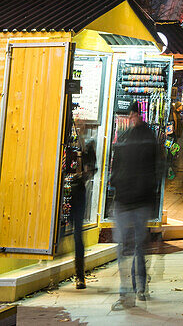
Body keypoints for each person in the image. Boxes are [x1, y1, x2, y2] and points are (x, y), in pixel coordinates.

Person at [109, 102, 162, 309]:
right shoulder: (148, 139)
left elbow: (117, 168)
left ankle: (131, 291)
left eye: (134, 114)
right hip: (136, 200)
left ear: (138, 115)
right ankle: (137, 288)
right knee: (135, 246)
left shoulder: (127, 139)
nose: (132, 117)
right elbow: (157, 168)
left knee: (128, 247)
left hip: (130, 200)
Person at [67, 119, 97, 290]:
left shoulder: (87, 147)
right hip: (62, 190)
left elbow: (92, 168)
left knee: (78, 233)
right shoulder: (65, 143)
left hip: (77, 192)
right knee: (73, 232)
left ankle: (80, 275)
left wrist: (85, 172)